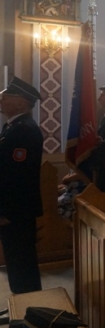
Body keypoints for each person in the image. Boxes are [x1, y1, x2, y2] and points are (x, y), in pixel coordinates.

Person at [0, 77, 44, 293]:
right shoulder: (12, 127)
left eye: (6, 97)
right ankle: (20, 301)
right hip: (14, 207)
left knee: (22, 260)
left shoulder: (24, 130)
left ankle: (29, 303)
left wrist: (6, 210)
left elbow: (18, 176)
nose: (1, 100)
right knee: (14, 259)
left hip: (17, 209)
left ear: (20, 102)